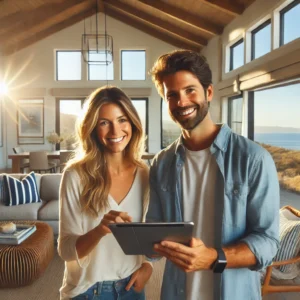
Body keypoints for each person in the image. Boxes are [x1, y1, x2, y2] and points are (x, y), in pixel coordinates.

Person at [147, 50, 280, 300]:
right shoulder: (161, 163)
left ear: (208, 92)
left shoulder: (253, 158)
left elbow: (268, 241)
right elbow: (155, 230)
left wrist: (214, 258)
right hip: (176, 292)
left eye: (190, 90)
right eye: (172, 95)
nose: (182, 102)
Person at [58, 86, 152, 300]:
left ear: (133, 123)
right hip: (87, 291)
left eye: (122, 120)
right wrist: (100, 230)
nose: (115, 131)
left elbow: (146, 235)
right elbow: (65, 251)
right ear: (92, 128)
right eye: (104, 123)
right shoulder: (76, 175)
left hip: (131, 288)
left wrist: (147, 266)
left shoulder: (145, 174)